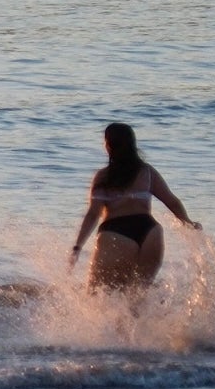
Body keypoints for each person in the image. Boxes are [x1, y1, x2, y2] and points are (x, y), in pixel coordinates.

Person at [70, 122, 198, 291]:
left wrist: (78, 246)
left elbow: (93, 214)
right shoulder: (146, 172)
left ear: (108, 145)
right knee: (138, 297)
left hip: (116, 233)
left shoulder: (103, 176)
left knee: (96, 294)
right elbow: (172, 202)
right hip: (150, 232)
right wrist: (188, 223)